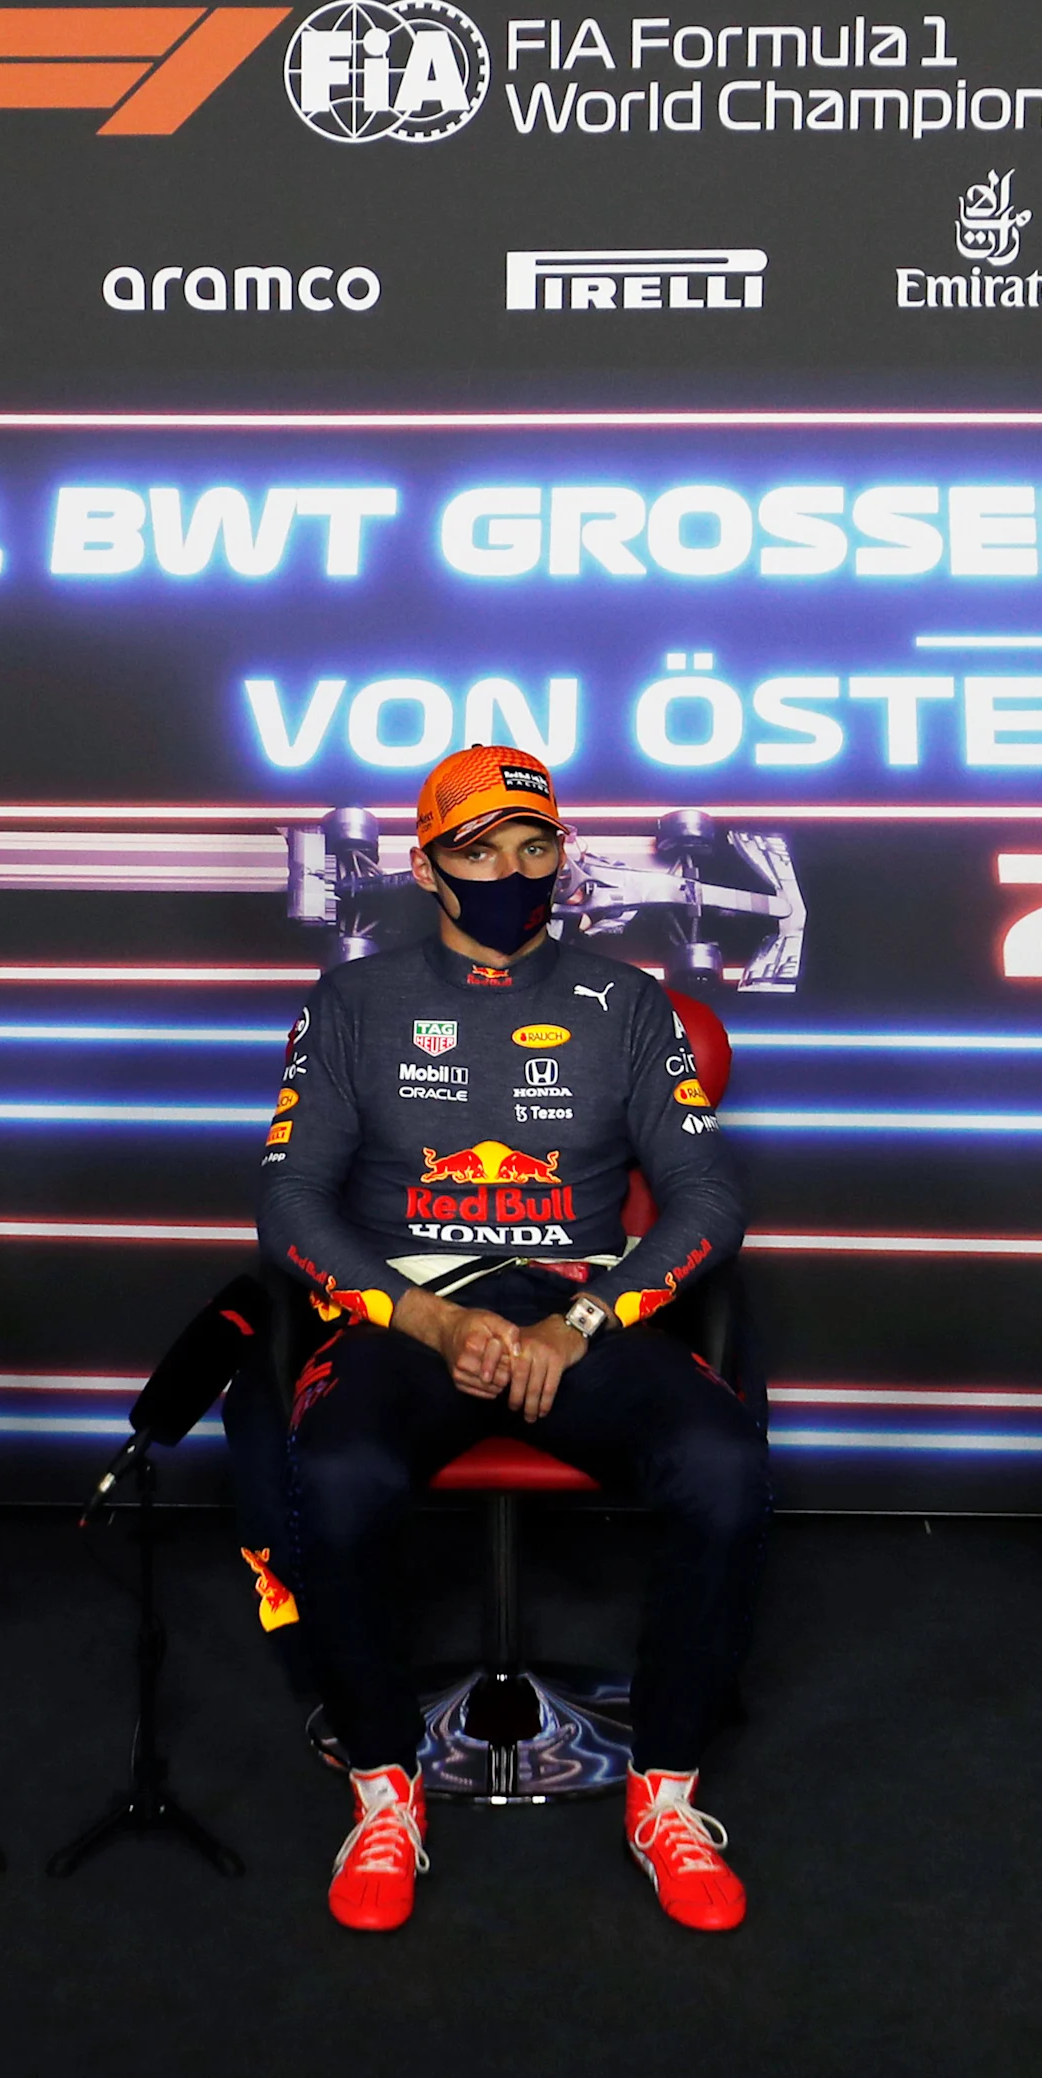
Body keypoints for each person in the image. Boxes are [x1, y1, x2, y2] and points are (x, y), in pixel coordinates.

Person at [257, 745, 767, 1933]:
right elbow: (288, 1203)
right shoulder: (352, 1002)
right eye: (479, 851)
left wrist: (581, 1322)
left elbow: (704, 1197)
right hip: (408, 1312)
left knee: (722, 1462)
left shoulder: (626, 1004)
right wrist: (429, 1317)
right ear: (428, 867)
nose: (510, 871)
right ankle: (384, 1789)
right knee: (331, 1473)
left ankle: (666, 1790)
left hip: (575, 1315)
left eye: (533, 848)